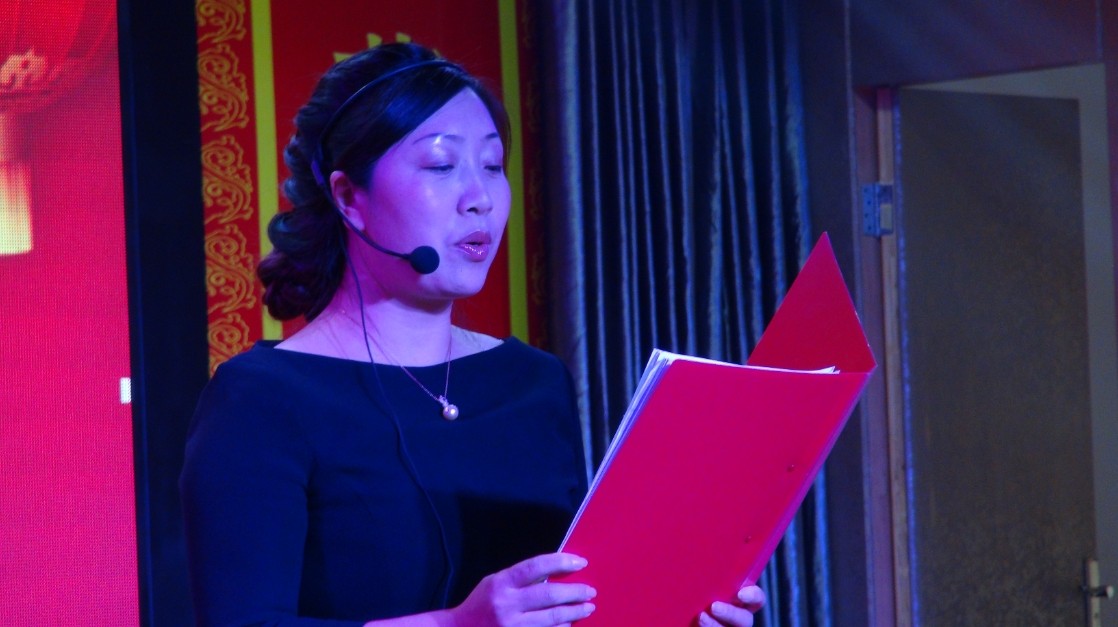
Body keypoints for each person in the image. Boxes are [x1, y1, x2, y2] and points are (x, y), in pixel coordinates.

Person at [180, 42, 765, 626]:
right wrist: (457, 624)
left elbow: (572, 606)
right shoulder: (261, 397)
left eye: (492, 165)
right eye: (441, 166)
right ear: (349, 197)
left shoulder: (535, 382)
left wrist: (670, 611)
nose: (480, 199)